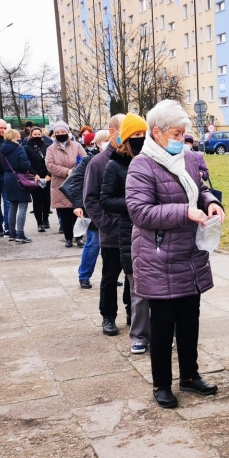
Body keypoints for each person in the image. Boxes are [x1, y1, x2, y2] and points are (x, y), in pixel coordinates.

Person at [125, 100, 226, 409]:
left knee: (189, 319)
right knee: (162, 324)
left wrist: (210, 202)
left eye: (184, 132)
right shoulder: (141, 165)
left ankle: (190, 375)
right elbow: (140, 212)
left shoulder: (190, 158)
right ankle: (161, 383)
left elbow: (201, 189)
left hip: (189, 254)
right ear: (157, 133)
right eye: (176, 132)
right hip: (158, 258)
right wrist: (185, 212)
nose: (181, 137)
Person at [98, 122, 150, 352]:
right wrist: (134, 205)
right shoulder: (115, 165)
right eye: (136, 135)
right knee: (136, 286)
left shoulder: (152, 159)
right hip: (129, 229)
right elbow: (105, 199)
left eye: (144, 134)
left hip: (155, 227)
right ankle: (138, 335)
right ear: (127, 139)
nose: (141, 138)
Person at [85, 115, 133, 333]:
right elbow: (91, 199)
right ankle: (108, 316)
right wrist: (107, 224)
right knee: (110, 276)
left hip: (135, 229)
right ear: (113, 132)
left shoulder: (136, 157)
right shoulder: (98, 163)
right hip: (112, 232)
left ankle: (133, 312)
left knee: (133, 275)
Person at [64, 132, 104, 287]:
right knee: (93, 243)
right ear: (98, 143)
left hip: (111, 208)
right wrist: (78, 205)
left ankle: (110, 274)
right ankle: (84, 275)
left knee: (112, 246)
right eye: (105, 140)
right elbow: (76, 182)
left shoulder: (116, 158)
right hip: (94, 207)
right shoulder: (89, 160)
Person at [45, 121, 87, 248]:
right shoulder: (50, 149)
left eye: (63, 132)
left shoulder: (77, 145)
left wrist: (75, 171)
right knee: (65, 214)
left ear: (67, 132)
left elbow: (84, 159)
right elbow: (50, 165)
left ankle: (78, 237)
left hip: (76, 183)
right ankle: (68, 237)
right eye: (58, 132)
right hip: (60, 184)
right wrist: (66, 171)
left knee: (77, 211)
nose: (60, 134)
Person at [1, 129, 33, 244]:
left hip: (8, 177)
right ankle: (20, 233)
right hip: (20, 178)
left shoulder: (3, 149)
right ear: (14, 136)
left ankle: (12, 233)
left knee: (12, 206)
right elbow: (24, 165)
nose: (20, 137)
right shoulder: (20, 148)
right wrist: (29, 164)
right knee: (23, 206)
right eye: (18, 135)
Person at [23, 127, 51, 231]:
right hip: (34, 177)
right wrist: (34, 173)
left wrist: (49, 174)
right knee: (37, 200)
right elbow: (26, 162)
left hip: (46, 176)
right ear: (31, 135)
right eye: (35, 135)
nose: (37, 136)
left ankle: (46, 219)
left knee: (46, 199)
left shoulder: (47, 147)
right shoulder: (26, 148)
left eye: (39, 134)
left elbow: (50, 161)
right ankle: (39, 223)